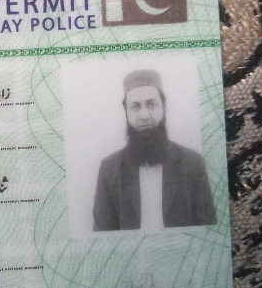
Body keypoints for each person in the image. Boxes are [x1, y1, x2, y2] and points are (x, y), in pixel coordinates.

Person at [92, 69, 216, 231]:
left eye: (151, 104)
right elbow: (103, 236)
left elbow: (208, 232)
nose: (144, 115)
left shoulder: (192, 163)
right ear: (126, 113)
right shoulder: (109, 169)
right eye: (135, 107)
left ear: (163, 107)